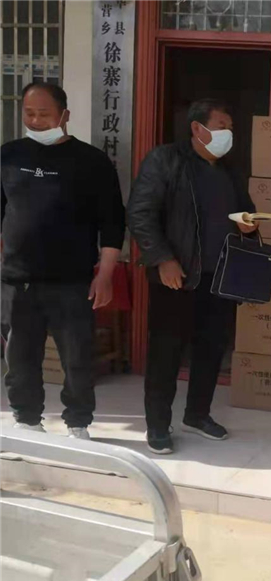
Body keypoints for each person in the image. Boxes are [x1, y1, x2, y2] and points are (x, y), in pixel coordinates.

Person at [128, 99, 257, 455]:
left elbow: (242, 211)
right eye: (221, 126)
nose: (228, 134)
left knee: (211, 349)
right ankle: (158, 424)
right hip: (177, 276)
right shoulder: (166, 160)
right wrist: (163, 259)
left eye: (230, 128)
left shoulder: (230, 170)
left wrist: (248, 224)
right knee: (166, 353)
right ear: (197, 128)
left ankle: (197, 415)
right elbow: (140, 213)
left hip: (221, 278)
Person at [1, 82, 125, 440]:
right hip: (18, 281)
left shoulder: (92, 162)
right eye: (29, 113)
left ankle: (78, 423)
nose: (35, 121)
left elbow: (113, 224)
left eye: (44, 114)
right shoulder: (8, 156)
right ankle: (27, 421)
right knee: (20, 359)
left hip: (72, 281)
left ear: (64, 115)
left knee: (77, 358)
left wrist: (105, 275)